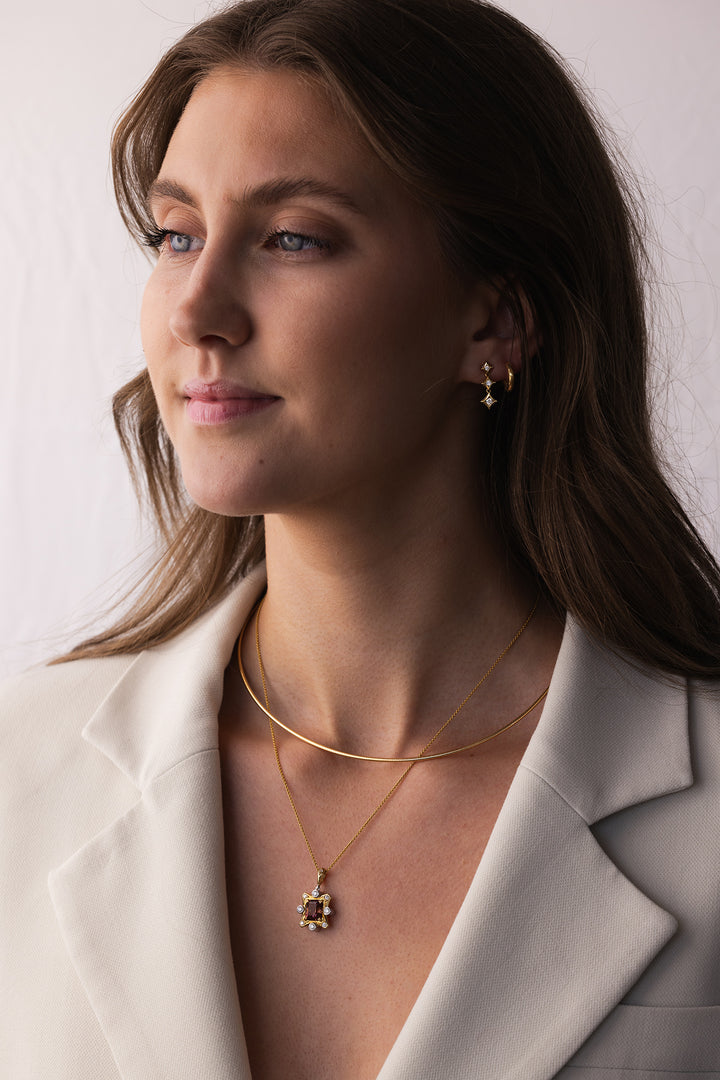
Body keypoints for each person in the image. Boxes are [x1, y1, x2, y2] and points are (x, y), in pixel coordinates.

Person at [2, 0, 720, 1076]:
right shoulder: (21, 773)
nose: (196, 311)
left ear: (496, 321)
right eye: (177, 235)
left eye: (293, 238)